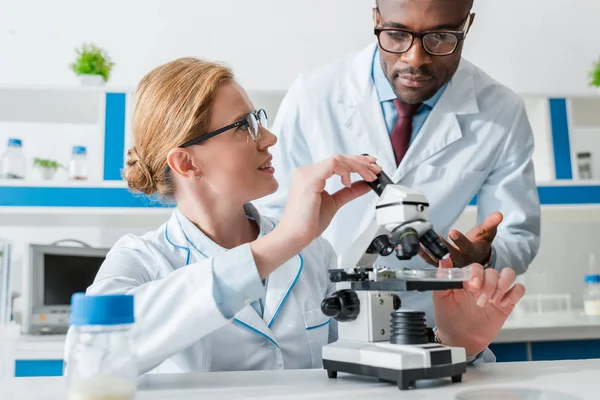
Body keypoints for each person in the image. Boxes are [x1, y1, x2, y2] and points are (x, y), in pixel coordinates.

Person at [63, 57, 525, 375]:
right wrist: (282, 242)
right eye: (244, 126)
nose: (270, 138)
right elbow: (89, 360)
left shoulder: (315, 255)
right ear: (186, 163)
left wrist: (458, 341)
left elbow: (373, 370)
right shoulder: (140, 261)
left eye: (258, 118)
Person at [256, 0, 541, 329]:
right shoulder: (314, 94)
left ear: (467, 24)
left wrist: (485, 257)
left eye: (441, 37)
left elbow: (517, 234)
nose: (415, 58)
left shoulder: (501, 111)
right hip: (323, 316)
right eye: (396, 34)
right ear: (376, 18)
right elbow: (272, 217)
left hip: (432, 321)